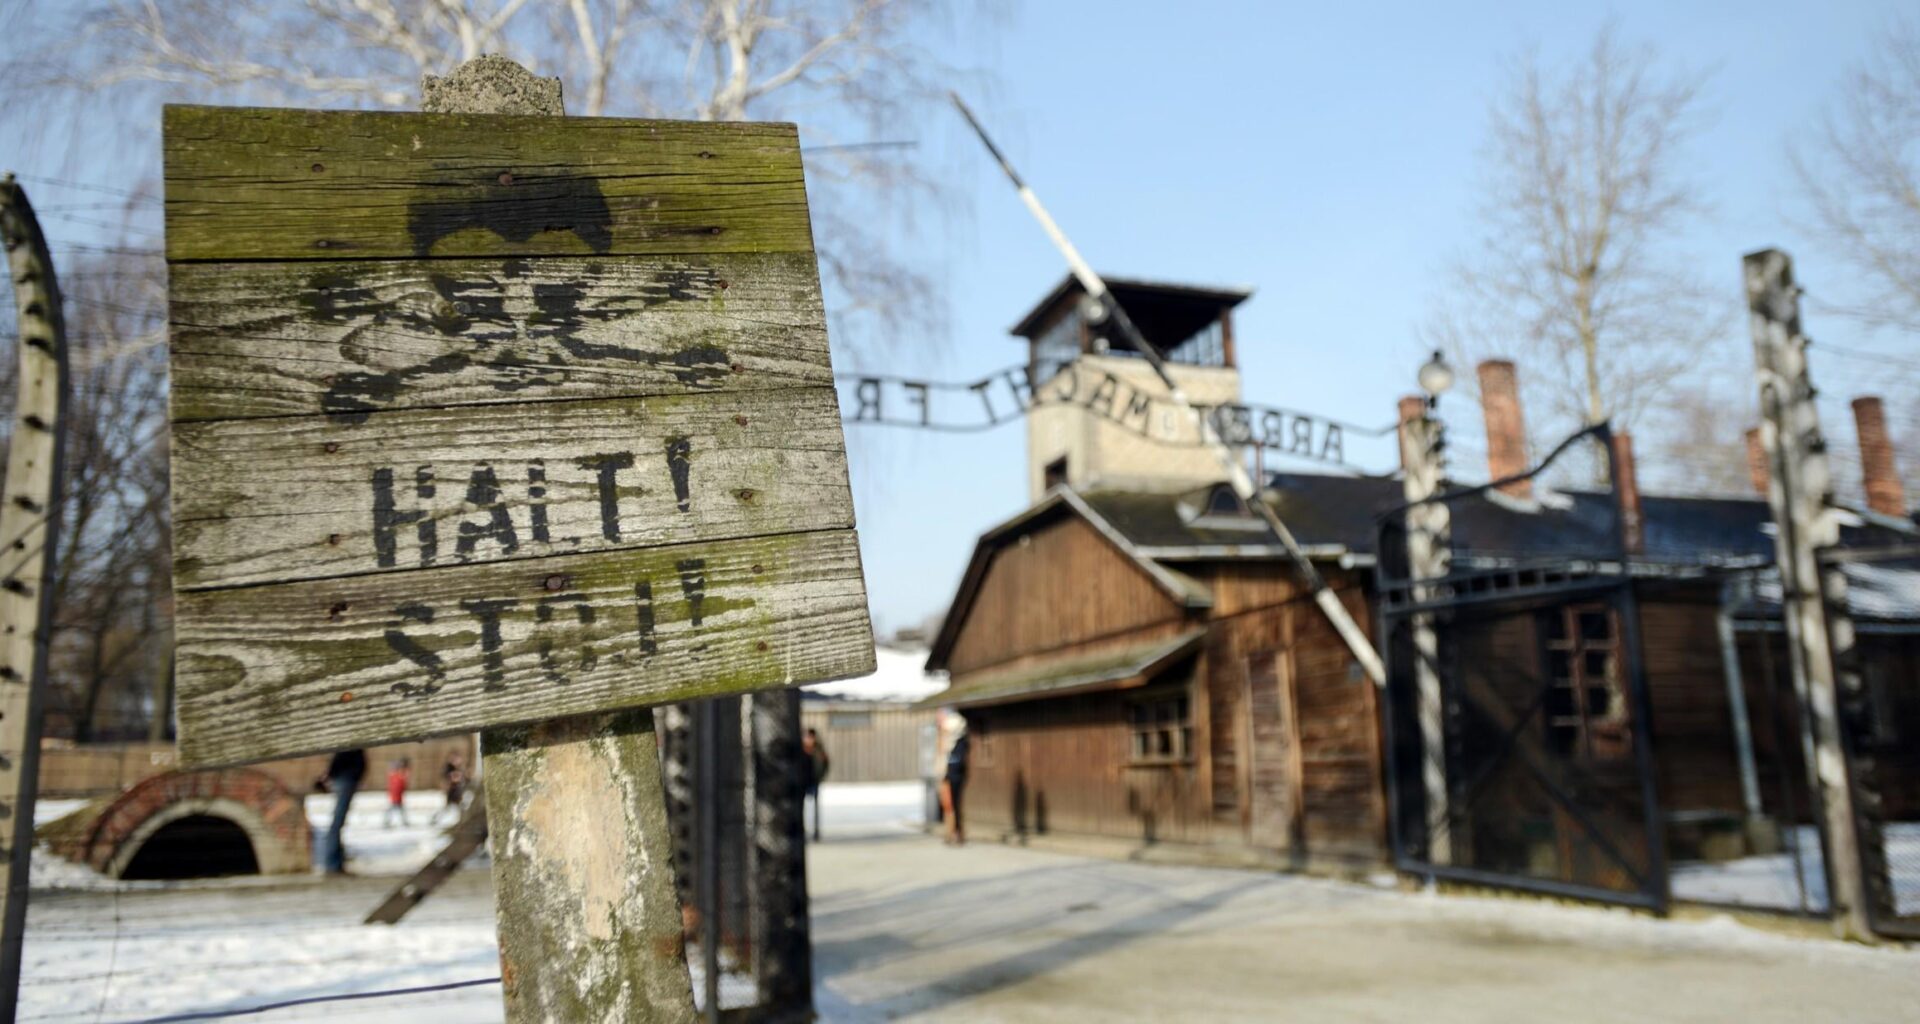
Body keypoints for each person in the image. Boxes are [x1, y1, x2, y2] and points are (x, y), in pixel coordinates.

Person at [322, 748, 367, 875]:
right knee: (337, 823)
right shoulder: (349, 746)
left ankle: (335, 862)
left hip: (346, 778)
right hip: (346, 779)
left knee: (337, 823)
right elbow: (340, 759)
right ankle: (332, 864)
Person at [941, 718, 970, 846]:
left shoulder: (962, 743)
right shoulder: (950, 743)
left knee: (956, 806)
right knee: (948, 806)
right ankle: (950, 832)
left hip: (957, 778)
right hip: (948, 778)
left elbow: (959, 763)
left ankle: (958, 832)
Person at [801, 728, 831, 842]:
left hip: (814, 782)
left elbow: (825, 763)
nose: (809, 739)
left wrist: (820, 777)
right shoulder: (801, 750)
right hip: (802, 782)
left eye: (810, 737)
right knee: (801, 809)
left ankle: (816, 831)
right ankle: (802, 831)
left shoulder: (818, 750)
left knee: (815, 808)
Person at [435, 751, 467, 825]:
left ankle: (461, 821)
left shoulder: (459, 767)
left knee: (459, 807)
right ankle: (437, 819)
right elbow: (446, 778)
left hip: (458, 791)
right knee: (447, 808)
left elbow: (463, 778)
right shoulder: (448, 768)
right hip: (451, 791)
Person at [384, 757, 411, 828]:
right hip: (395, 798)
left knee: (399, 810)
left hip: (397, 797)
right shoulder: (395, 777)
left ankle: (403, 821)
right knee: (393, 810)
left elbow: (403, 784)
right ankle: (387, 822)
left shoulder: (398, 777)